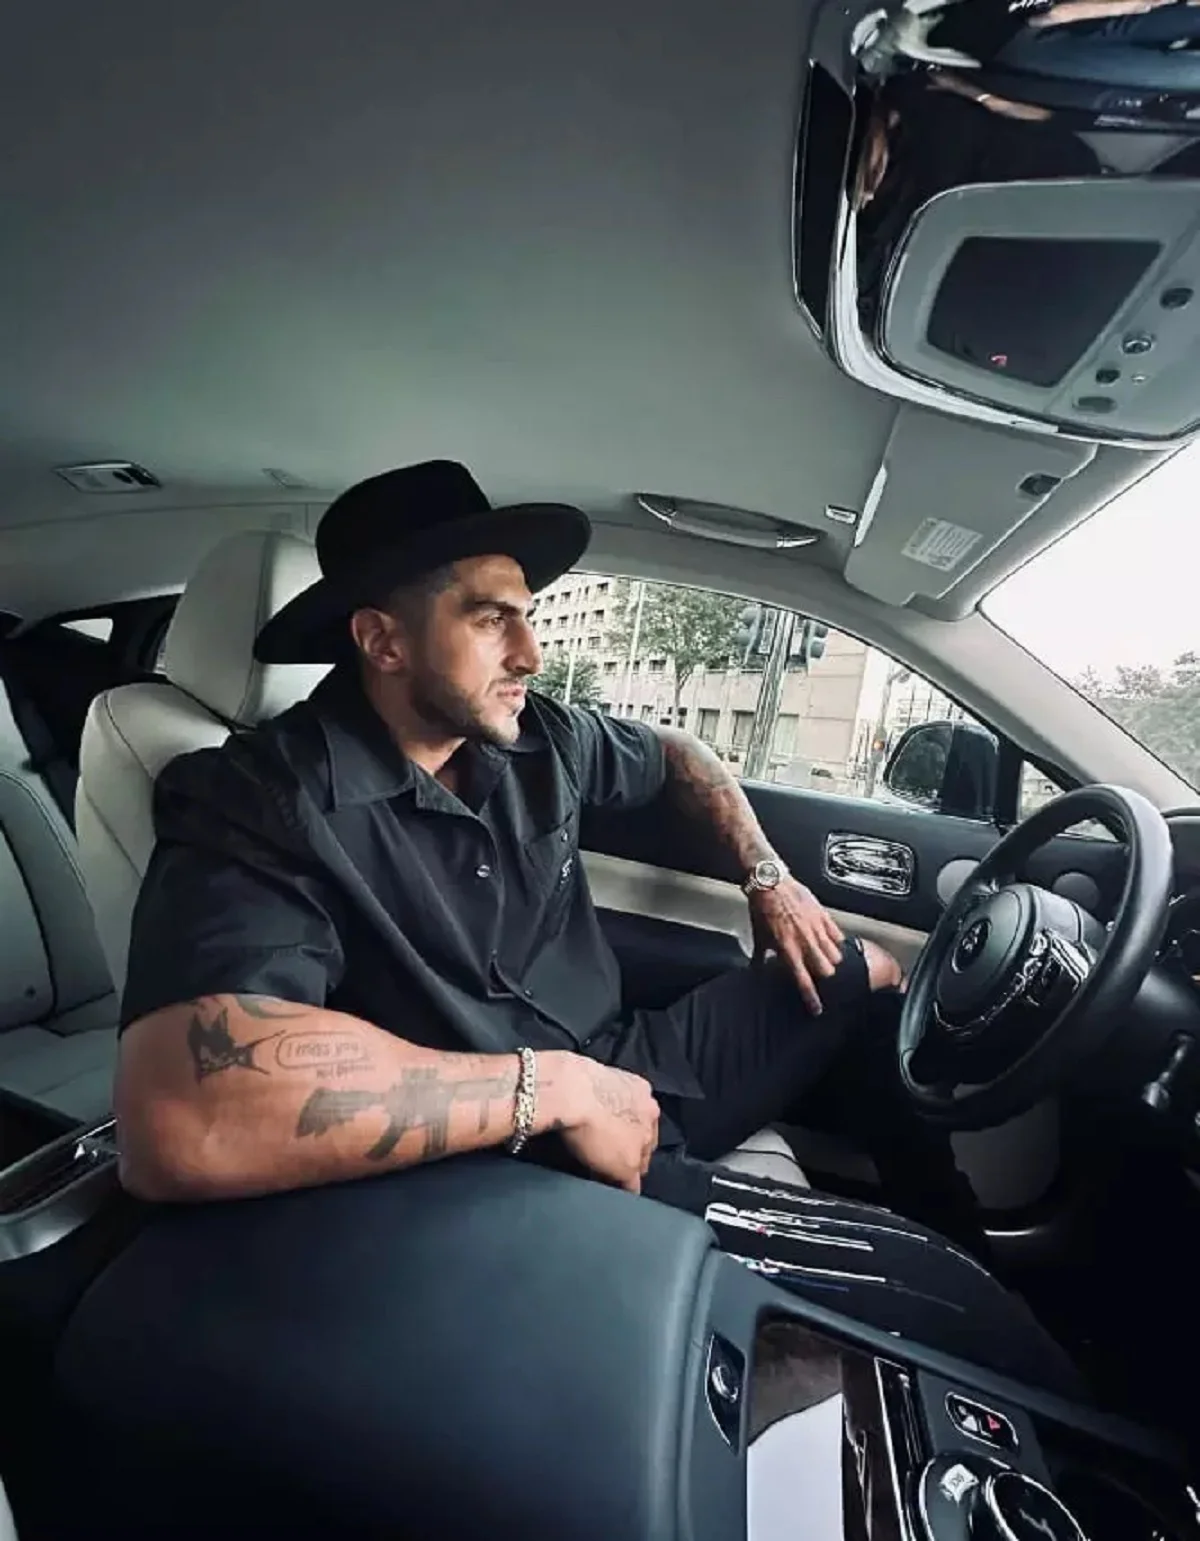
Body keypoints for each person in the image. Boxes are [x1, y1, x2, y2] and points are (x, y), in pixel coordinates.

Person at [116, 459, 1082, 1396]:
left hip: (631, 1062)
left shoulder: (539, 740)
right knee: (950, 1310)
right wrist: (551, 1088)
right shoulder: (260, 802)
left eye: (527, 615)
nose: (530, 653)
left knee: (862, 971)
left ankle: (964, 1230)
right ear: (383, 640)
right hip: (511, 1161)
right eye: (490, 619)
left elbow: (683, 755)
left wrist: (768, 876)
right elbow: (184, 1113)